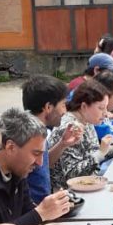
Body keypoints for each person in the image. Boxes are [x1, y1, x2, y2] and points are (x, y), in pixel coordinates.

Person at [21, 75, 82, 203]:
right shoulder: (27, 136)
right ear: (48, 107)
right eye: (63, 105)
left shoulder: (40, 130)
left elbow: (41, 164)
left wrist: (62, 144)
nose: (65, 111)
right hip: (34, 207)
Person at [47, 80, 113, 189]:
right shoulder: (70, 128)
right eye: (101, 108)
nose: (105, 113)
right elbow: (72, 176)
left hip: (90, 183)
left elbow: (93, 155)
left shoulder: (87, 121)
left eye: (106, 108)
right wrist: (101, 153)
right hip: (68, 192)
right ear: (84, 106)